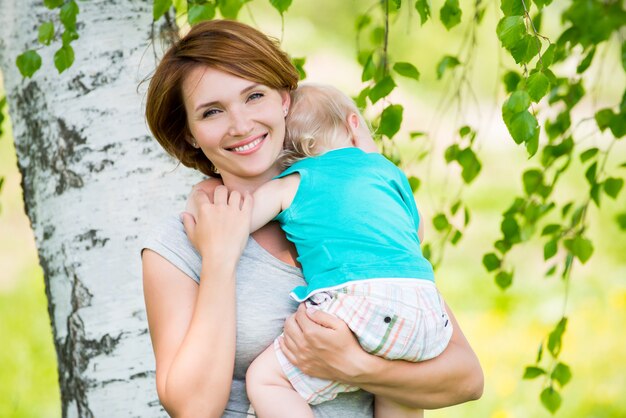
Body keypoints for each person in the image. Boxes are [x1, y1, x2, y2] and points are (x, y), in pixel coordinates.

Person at [142, 19, 483, 418]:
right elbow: (193, 410)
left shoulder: (356, 208)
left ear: (285, 99)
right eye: (212, 111)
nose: (240, 125)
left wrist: (355, 366)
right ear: (190, 135)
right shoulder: (177, 245)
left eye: (254, 96)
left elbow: (467, 379)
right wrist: (219, 260)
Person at [212, 83, 452, 418]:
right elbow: (417, 231)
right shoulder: (388, 173)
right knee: (399, 392)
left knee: (267, 380)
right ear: (354, 124)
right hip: (426, 310)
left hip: (360, 303)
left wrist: (207, 196)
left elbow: (239, 222)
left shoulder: (294, 182)